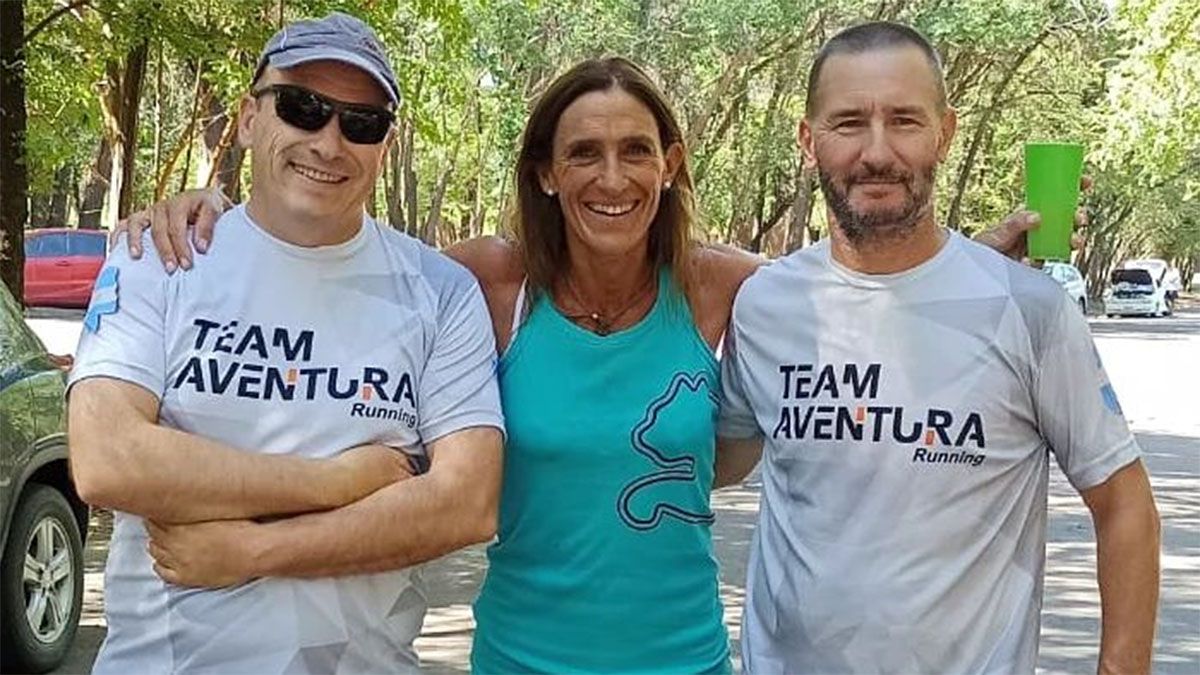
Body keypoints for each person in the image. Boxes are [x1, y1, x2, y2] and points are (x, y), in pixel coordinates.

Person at [116, 57, 1064, 674]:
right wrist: (212, 216)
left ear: (670, 164)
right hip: (521, 658)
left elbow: (871, 285)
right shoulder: (484, 286)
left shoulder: (723, 288)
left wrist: (970, 252)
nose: (611, 177)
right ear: (545, 172)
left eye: (634, 151)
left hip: (686, 659)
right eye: (583, 154)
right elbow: (322, 268)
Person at [715, 22, 1161, 674]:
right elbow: (720, 459)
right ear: (808, 141)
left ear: (944, 133)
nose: (876, 151)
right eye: (847, 123)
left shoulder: (1026, 309)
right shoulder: (765, 305)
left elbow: (1125, 504)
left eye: (903, 120)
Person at [67, 13, 504, 674]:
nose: (329, 142)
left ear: (384, 144)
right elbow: (108, 458)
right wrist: (336, 479)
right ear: (248, 118)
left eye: (362, 123)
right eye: (303, 108)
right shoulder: (157, 257)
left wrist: (250, 549)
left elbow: (465, 504)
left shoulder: (440, 291)